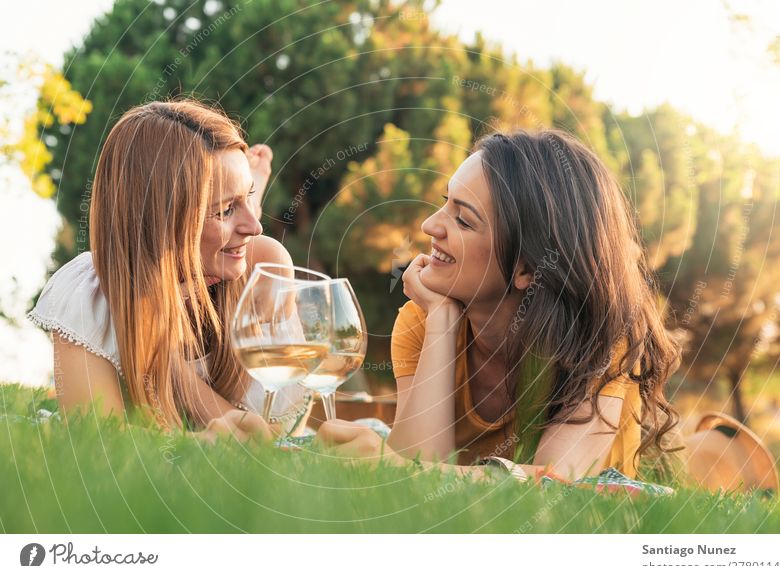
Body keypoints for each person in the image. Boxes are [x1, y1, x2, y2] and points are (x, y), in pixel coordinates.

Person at [316, 129, 685, 483]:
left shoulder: (600, 336)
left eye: (462, 219)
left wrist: (399, 469)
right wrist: (442, 320)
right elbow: (413, 484)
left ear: (526, 267)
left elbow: (557, 484)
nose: (429, 226)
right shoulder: (421, 320)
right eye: (444, 203)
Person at [27, 99, 308, 443]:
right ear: (159, 224)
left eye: (247, 199)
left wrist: (164, 349)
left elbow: (279, 434)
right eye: (224, 210)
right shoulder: (90, 293)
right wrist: (155, 323)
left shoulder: (264, 270)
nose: (256, 228)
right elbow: (95, 438)